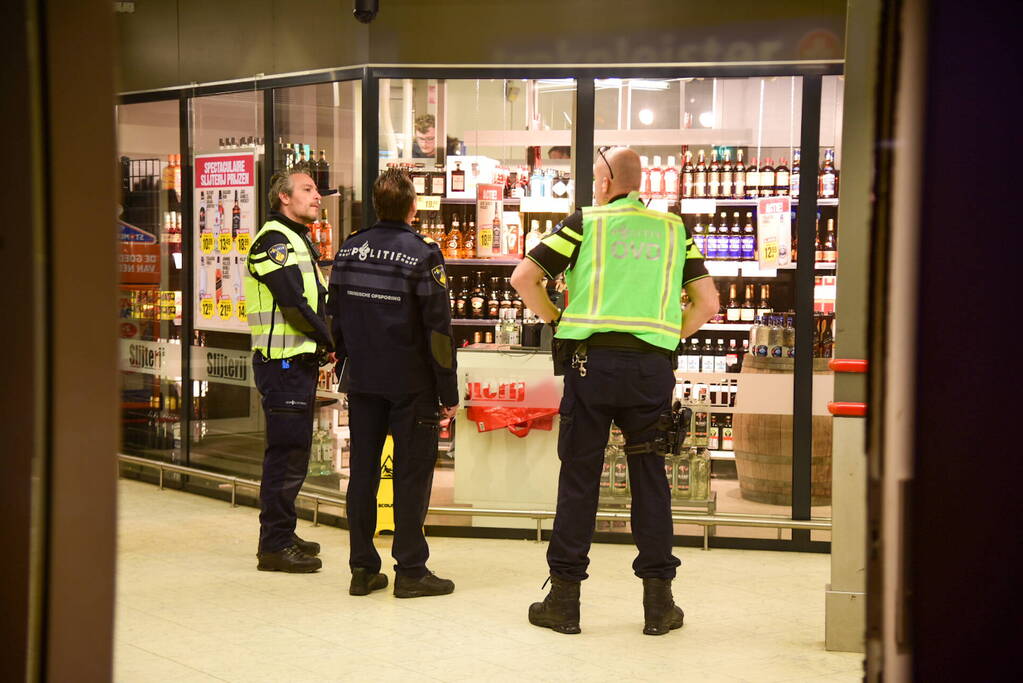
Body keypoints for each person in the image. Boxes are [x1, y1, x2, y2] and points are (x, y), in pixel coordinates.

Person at [510, 146, 719, 635]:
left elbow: (524, 277)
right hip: (650, 372)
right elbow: (708, 303)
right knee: (650, 479)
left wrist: (557, 320)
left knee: (579, 478)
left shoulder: (586, 223)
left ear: (604, 183)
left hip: (592, 367)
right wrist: (668, 335)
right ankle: (659, 605)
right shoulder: (674, 229)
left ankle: (564, 602)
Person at [327, 168, 459, 598]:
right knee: (410, 475)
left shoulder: (349, 250)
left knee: (363, 474)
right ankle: (411, 571)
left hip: (363, 380)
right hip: (411, 384)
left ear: (375, 204)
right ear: (412, 207)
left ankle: (362, 569)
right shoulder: (422, 254)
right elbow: (438, 331)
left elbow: (335, 315)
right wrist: (448, 390)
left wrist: (346, 357)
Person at [244, 166, 333, 573]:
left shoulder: (297, 239)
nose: (317, 196)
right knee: (285, 456)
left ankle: (283, 531)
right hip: (282, 364)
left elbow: (315, 301)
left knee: (294, 453)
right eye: (307, 189)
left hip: (296, 363)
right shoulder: (274, 241)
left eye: (316, 190)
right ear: (284, 197)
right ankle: (274, 545)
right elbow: (294, 306)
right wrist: (331, 341)